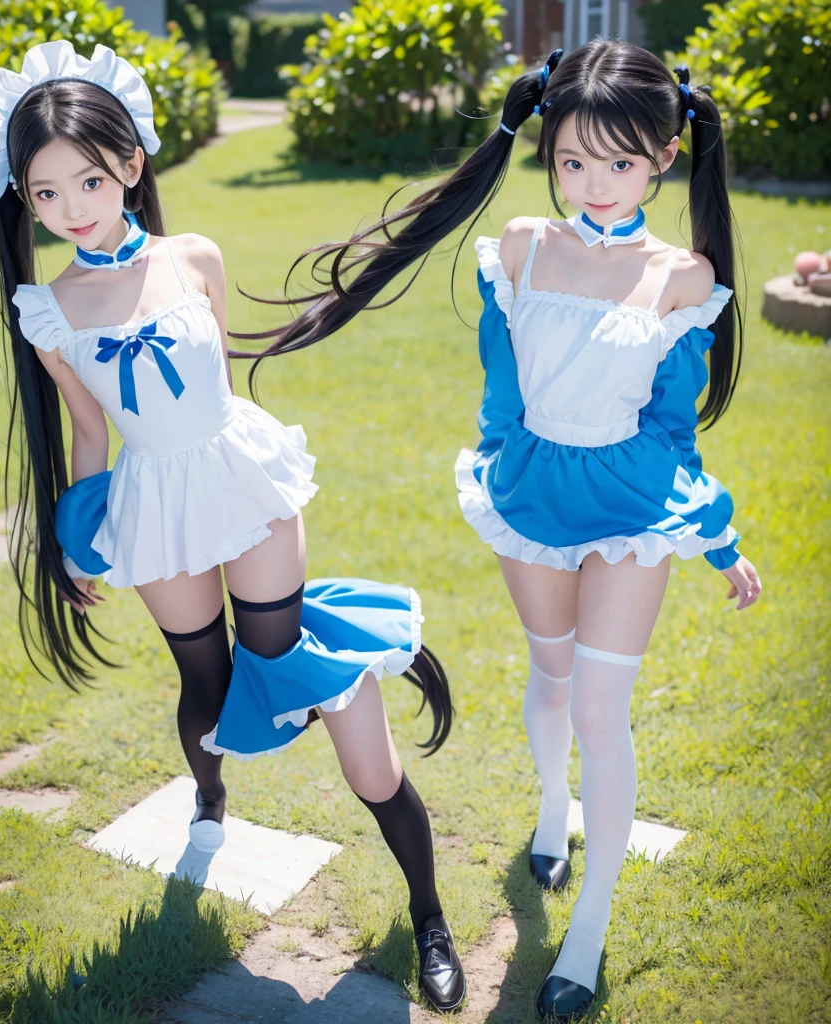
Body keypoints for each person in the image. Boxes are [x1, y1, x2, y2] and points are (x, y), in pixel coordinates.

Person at [236, 41, 762, 1022]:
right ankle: (549, 810)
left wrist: (715, 538)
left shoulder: (684, 277)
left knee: (603, 708)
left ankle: (589, 929)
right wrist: (501, 473)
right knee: (552, 676)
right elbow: (500, 386)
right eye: (572, 160)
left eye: (618, 162)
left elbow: (671, 429)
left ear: (662, 159)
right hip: (529, 492)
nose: (593, 184)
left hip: (631, 502)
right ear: (547, 154)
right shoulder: (518, 246)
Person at [0, 39, 465, 1012]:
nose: (71, 207)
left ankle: (429, 910)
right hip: (152, 498)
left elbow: (219, 389)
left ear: (132, 166)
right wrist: (78, 535)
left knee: (277, 655)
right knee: (207, 682)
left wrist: (239, 480)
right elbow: (88, 425)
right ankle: (211, 798)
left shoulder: (194, 258)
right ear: (26, 202)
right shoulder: (51, 308)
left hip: (236, 473)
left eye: (89, 180)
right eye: (46, 194)